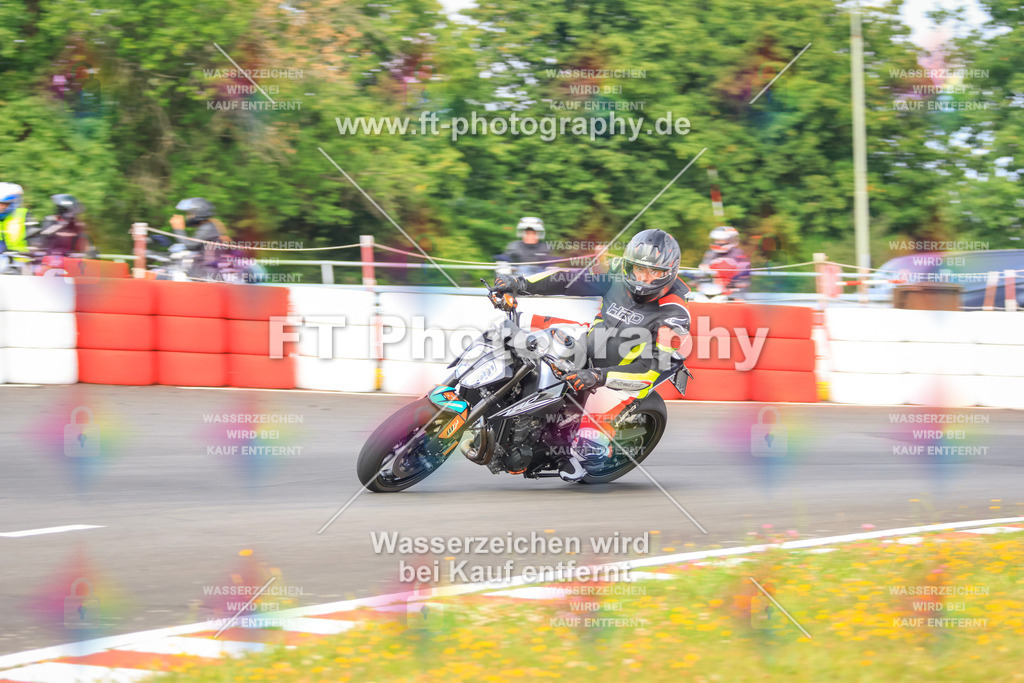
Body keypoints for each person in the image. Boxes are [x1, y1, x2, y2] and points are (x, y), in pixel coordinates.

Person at [492, 229, 690, 482]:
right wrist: (520, 284)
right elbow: (568, 280)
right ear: (630, 265)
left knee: (587, 449)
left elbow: (649, 372)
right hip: (588, 346)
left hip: (619, 382)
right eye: (639, 269)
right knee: (524, 334)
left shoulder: (675, 315)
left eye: (655, 272)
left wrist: (597, 377)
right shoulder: (618, 273)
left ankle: (583, 453)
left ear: (670, 271)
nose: (644, 278)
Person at [169, 197, 231, 278]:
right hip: (203, 272)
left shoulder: (207, 228)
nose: (188, 217)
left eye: (190, 214)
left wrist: (178, 229)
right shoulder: (209, 226)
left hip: (206, 275)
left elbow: (191, 245)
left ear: (198, 212)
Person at [698, 225, 752, 296]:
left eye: (721, 240)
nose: (718, 242)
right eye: (716, 240)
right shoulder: (711, 253)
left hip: (734, 291)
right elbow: (703, 269)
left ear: (731, 240)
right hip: (712, 289)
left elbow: (744, 274)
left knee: (737, 300)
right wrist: (698, 278)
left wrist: (738, 283)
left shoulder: (738, 254)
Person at [0, 183, 33, 253]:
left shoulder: (23, 215)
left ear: (13, 203)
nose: (0, 207)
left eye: (3, 204)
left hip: (20, 261)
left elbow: (34, 238)